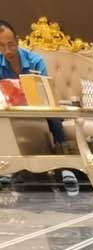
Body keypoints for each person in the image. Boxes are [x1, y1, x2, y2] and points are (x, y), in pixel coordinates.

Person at [0, 19, 78, 192]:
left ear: (18, 41)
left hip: (38, 107)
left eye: (10, 45)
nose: (7, 51)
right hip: (12, 111)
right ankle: (7, 166)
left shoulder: (35, 61)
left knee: (53, 115)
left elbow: (45, 91)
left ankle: (65, 165)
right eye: (1, 46)